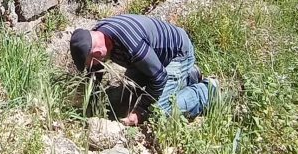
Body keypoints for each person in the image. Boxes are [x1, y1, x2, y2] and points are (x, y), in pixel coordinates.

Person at [69, 14, 218, 125]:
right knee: (125, 98)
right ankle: (189, 76)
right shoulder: (98, 34)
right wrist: (89, 100)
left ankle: (206, 91)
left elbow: (159, 77)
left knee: (159, 112)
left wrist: (140, 111)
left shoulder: (132, 44)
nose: (96, 65)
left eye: (93, 62)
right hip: (151, 59)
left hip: (178, 55)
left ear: (97, 53)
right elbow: (95, 71)